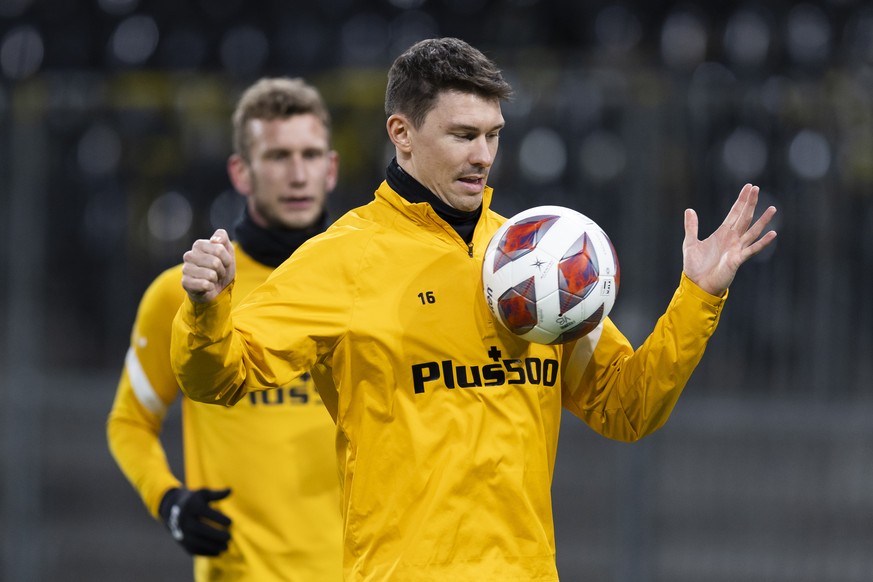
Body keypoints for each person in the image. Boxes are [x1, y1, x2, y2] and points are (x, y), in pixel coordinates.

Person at [170, 38, 778, 580]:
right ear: (401, 133)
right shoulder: (341, 259)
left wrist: (699, 295)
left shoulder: (537, 260)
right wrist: (205, 311)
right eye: (463, 135)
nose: (483, 155)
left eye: (493, 135)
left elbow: (629, 408)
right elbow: (219, 378)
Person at [107, 77, 343, 581]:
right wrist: (168, 499)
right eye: (278, 157)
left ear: (332, 168)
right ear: (241, 172)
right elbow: (129, 423)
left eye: (311, 154)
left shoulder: (369, 285)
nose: (298, 174)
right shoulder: (185, 295)